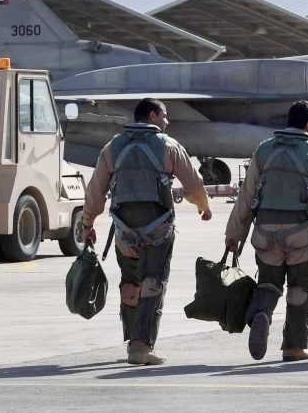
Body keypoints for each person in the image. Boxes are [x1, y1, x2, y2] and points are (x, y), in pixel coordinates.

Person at [81, 98, 212, 365]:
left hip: (123, 231)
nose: (167, 121)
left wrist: (87, 223)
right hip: (158, 229)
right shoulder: (168, 146)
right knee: (153, 281)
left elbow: (96, 190)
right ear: (152, 115)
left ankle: (132, 339)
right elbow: (194, 184)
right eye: (165, 116)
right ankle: (141, 347)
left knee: (131, 283)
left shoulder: (113, 147)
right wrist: (203, 206)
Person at [225, 100, 308, 362]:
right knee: (298, 289)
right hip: (301, 234)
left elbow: (246, 197)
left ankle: (261, 314)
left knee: (268, 284)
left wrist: (234, 233)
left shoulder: (263, 150)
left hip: (264, 233)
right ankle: (294, 347)